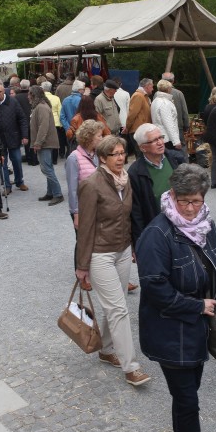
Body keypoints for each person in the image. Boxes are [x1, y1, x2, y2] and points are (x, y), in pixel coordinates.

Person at [136, 164, 216, 432]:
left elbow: (215, 266)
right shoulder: (156, 235)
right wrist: (197, 306)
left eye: (195, 201)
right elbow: (155, 288)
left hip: (198, 327)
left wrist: (215, 310)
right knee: (187, 400)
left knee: (187, 393)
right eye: (183, 200)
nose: (189, 208)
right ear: (171, 195)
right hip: (170, 331)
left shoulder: (206, 224)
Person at [76, 135, 151, 387]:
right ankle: (131, 367)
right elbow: (85, 227)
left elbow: (129, 218)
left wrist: (133, 246)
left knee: (115, 305)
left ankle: (107, 349)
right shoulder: (91, 184)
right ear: (102, 158)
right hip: (100, 255)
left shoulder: (125, 180)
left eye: (122, 153)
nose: (120, 158)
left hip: (123, 251)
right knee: (118, 309)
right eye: (114, 154)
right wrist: (82, 265)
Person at [129, 123, 187, 244]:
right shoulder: (135, 173)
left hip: (183, 224)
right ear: (143, 147)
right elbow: (136, 212)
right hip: (157, 229)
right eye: (154, 140)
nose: (160, 142)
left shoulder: (176, 159)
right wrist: (139, 242)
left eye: (161, 137)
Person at [0, 80, 29, 193]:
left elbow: (22, 119)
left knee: (17, 160)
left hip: (13, 136)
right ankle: (7, 185)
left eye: (0, 91)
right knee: (2, 163)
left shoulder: (13, 101)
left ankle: (19, 181)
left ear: (4, 91)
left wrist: (24, 135)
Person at [66, 120, 105, 231]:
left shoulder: (98, 155)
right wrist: (76, 214)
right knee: (84, 239)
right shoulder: (74, 158)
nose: (102, 138)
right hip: (84, 208)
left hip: (99, 206)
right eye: (99, 136)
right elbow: (72, 189)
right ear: (89, 137)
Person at [29, 85, 63, 205]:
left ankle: (58, 194)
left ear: (33, 95)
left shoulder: (41, 107)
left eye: (29, 94)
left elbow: (43, 126)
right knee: (48, 168)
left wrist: (38, 143)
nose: (28, 96)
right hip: (45, 142)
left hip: (45, 143)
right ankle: (51, 192)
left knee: (47, 169)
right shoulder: (41, 106)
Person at [151, 79, 182, 149]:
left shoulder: (156, 100)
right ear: (168, 89)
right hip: (167, 139)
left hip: (160, 136)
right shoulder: (165, 103)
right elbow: (169, 123)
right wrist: (176, 141)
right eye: (171, 88)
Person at [162, 71, 190, 139]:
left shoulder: (157, 94)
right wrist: (187, 125)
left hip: (162, 127)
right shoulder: (179, 94)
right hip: (177, 127)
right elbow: (184, 111)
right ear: (173, 81)